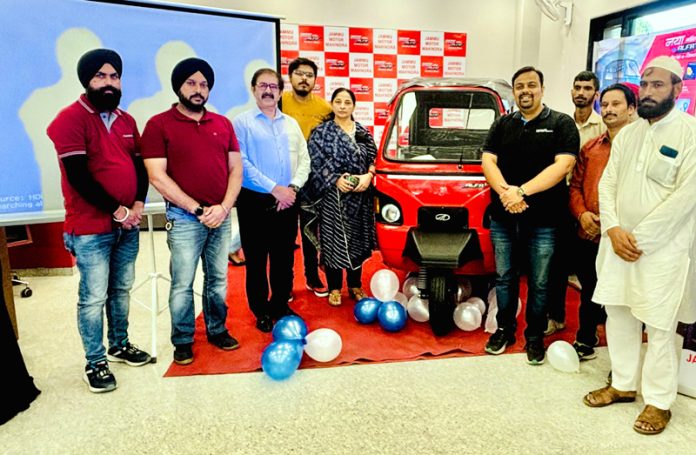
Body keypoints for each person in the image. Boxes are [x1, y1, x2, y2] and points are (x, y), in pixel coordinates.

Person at [583, 56, 696, 435]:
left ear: (678, 90)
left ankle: (659, 402)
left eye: (658, 85)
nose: (647, 91)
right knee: (619, 314)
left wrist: (640, 240)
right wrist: (614, 230)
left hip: (663, 251)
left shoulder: (690, 133)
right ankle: (623, 384)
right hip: (618, 246)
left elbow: (686, 199)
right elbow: (609, 183)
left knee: (661, 326)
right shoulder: (629, 133)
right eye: (644, 84)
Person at [46, 49, 151, 393]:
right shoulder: (69, 119)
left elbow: (138, 166)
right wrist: (118, 211)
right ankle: (95, 362)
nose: (109, 83)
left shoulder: (126, 120)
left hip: (127, 225)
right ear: (87, 80)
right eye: (100, 76)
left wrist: (137, 203)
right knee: (92, 298)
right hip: (91, 229)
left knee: (120, 290)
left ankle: (119, 345)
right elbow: (79, 176)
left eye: (114, 76)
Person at [141, 58, 243, 365]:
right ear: (178, 86)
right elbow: (157, 176)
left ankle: (217, 329)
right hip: (185, 219)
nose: (198, 90)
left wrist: (224, 208)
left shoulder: (222, 124)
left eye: (204, 84)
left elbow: (236, 170)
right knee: (183, 282)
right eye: (191, 83)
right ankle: (183, 339)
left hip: (221, 217)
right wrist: (197, 209)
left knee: (218, 280)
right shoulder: (158, 125)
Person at [481, 66, 579, 365]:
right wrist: (507, 194)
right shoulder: (502, 124)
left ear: (542, 89)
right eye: (520, 86)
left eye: (531, 85)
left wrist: (520, 192)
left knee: (539, 281)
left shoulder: (562, 124)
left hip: (545, 220)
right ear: (514, 91)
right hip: (503, 216)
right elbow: (488, 160)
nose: (525, 91)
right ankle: (504, 329)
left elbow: (562, 166)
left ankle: (534, 336)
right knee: (505, 277)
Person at [232, 68, 310, 332]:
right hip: (254, 201)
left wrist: (292, 188)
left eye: (273, 86)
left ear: (280, 91)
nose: (268, 90)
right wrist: (274, 189)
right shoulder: (241, 122)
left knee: (283, 259)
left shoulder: (291, 123)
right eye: (262, 85)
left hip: (288, 200)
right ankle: (261, 310)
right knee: (256, 260)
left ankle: (280, 304)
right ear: (253, 89)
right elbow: (241, 163)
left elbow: (305, 159)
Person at [569, 83, 636, 360]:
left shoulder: (641, 148)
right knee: (590, 290)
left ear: (631, 109)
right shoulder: (591, 148)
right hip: (589, 233)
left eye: (616, 104)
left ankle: (626, 359)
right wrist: (582, 214)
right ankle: (586, 337)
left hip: (623, 236)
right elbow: (574, 186)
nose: (608, 110)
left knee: (623, 298)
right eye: (605, 104)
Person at [546, 70, 608, 337]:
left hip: (590, 207)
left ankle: (591, 325)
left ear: (596, 93)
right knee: (556, 265)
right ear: (571, 91)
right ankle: (556, 317)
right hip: (560, 202)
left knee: (590, 271)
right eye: (577, 87)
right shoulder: (560, 123)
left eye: (587, 88)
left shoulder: (604, 128)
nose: (581, 92)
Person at [305, 88, 377, 307]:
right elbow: (314, 162)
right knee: (333, 240)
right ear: (332, 105)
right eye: (338, 102)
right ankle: (335, 287)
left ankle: (355, 285)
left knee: (357, 239)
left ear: (354, 106)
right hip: (332, 196)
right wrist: (335, 179)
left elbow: (374, 158)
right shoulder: (321, 133)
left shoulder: (362, 133)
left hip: (359, 196)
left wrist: (368, 175)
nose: (343, 106)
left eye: (347, 102)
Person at [281, 58, 332, 298]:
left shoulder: (325, 108)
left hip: (313, 181)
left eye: (309, 75)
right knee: (286, 236)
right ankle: (286, 284)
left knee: (311, 231)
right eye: (299, 74)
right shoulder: (280, 103)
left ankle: (312, 278)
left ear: (315, 80)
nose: (304, 79)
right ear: (290, 77)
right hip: (284, 179)